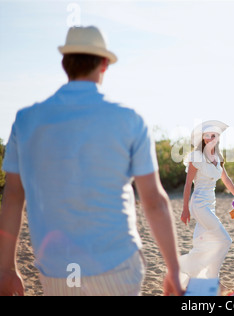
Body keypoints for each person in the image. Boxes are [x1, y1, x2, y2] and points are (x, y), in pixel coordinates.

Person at [0, 26, 182, 296]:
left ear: (65, 64)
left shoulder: (26, 120)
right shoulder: (129, 120)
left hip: (56, 270)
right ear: (104, 64)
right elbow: (154, 201)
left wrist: (5, 269)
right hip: (117, 264)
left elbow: (13, 195)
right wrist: (174, 271)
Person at [179, 120, 234, 286]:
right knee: (224, 240)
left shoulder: (218, 157)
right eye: (207, 136)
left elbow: (226, 180)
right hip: (199, 204)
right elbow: (187, 185)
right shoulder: (196, 157)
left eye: (214, 135)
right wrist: (185, 209)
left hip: (210, 205)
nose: (210, 138)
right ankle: (213, 280)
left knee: (202, 243)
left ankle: (188, 277)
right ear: (203, 139)